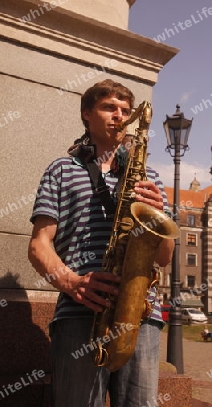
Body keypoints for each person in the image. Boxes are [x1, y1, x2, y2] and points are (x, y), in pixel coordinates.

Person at [28, 79, 175, 407]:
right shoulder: (61, 170)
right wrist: (72, 282)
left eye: (125, 109)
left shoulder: (149, 178)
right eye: (109, 107)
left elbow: (164, 257)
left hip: (140, 315)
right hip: (81, 311)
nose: (120, 116)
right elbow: (39, 244)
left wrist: (159, 212)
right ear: (87, 114)